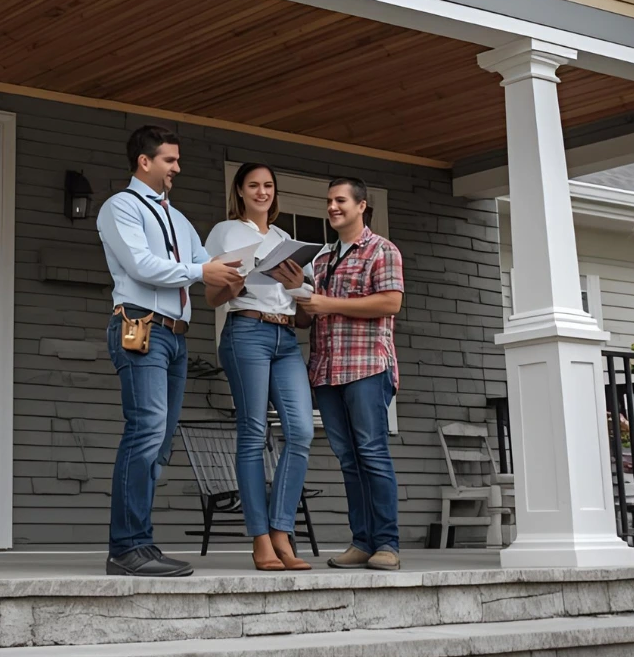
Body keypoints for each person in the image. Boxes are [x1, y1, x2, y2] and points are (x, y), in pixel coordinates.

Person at [95, 125, 243, 577]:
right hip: (140, 327)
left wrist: (246, 272)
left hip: (175, 336)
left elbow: (206, 266)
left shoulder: (178, 219)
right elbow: (143, 266)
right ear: (145, 162)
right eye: (170, 160)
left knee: (158, 444)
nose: (177, 167)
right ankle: (125, 549)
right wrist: (203, 271)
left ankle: (142, 541)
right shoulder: (119, 207)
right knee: (144, 432)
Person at [285, 177, 405, 571]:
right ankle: (362, 541)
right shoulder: (320, 260)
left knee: (372, 453)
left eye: (340, 200)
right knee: (348, 460)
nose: (333, 207)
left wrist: (327, 302)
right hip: (326, 371)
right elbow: (307, 319)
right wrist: (298, 294)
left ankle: (387, 543)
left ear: (361, 205)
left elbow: (390, 302)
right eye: (329, 201)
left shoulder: (381, 250)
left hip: (367, 366)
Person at [204, 162, 314, 571]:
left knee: (301, 431)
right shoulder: (225, 231)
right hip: (246, 331)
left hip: (286, 337)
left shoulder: (285, 238)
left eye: (268, 185)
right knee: (253, 433)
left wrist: (297, 282)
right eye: (254, 185)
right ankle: (261, 539)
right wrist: (236, 279)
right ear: (240, 190)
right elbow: (213, 296)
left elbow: (301, 301)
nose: (262, 192)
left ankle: (282, 530)